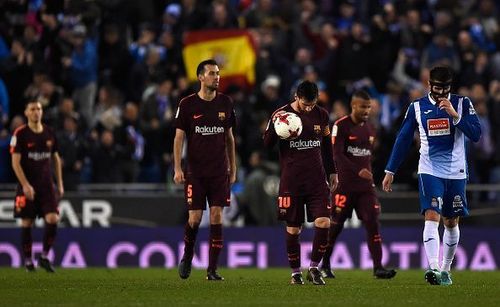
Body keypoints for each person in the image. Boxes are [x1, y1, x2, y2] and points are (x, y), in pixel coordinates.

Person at [382, 66, 481, 286]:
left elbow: (476, 134)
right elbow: (403, 139)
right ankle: (434, 268)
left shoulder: (463, 103)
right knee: (431, 214)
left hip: (456, 172)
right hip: (430, 170)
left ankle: (446, 268)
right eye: (437, 89)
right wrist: (390, 170)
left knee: (451, 221)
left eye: (445, 89)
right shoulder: (417, 107)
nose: (441, 93)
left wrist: (455, 116)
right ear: (429, 85)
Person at [263, 80, 338, 285]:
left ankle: (314, 267)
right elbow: (266, 145)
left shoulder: (321, 115)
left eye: (312, 104)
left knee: (324, 222)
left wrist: (332, 172)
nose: (308, 108)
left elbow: (326, 147)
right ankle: (295, 273)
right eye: (305, 104)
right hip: (291, 181)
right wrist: (275, 130)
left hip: (317, 179)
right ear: (296, 96)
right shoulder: (281, 114)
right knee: (293, 229)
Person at [321, 90, 397, 279]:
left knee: (373, 222)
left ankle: (378, 267)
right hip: (344, 186)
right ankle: (324, 264)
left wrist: (369, 173)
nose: (366, 110)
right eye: (363, 106)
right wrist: (357, 170)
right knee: (335, 226)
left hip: (365, 187)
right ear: (353, 105)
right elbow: (336, 155)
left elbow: (367, 157)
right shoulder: (340, 126)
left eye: (369, 107)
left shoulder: (370, 129)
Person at [173, 59, 236, 281]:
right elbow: (179, 137)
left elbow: (229, 138)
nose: (216, 77)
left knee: (217, 216)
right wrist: (177, 168)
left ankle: (212, 270)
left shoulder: (226, 103)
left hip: (219, 171)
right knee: (195, 218)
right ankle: (188, 256)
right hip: (196, 173)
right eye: (211, 73)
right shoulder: (188, 104)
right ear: (200, 77)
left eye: (218, 73)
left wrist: (233, 167)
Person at [10, 100, 64, 272]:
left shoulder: (49, 133)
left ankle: (44, 256)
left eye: (39, 109)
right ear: (26, 113)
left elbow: (55, 158)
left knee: (53, 219)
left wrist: (60, 183)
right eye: (32, 109)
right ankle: (27, 261)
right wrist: (25, 185)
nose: (36, 112)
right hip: (27, 185)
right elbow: (15, 163)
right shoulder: (19, 134)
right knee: (27, 222)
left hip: (46, 185)